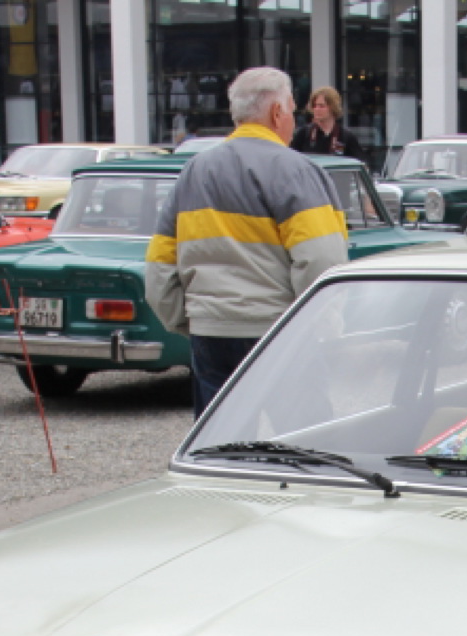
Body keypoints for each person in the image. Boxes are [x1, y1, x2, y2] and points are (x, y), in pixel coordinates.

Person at [147, 67, 348, 417]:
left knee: (221, 443)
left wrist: (190, 320)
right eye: (292, 109)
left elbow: (159, 266)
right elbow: (321, 260)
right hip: (278, 332)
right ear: (277, 112)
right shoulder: (295, 170)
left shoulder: (194, 171)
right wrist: (322, 328)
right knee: (301, 442)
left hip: (211, 333)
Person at [290, 85, 369, 168]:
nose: (317, 109)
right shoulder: (304, 134)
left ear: (332, 107)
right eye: (314, 106)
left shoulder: (345, 137)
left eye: (321, 106)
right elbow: (291, 161)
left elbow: (361, 165)